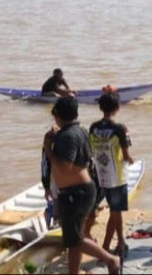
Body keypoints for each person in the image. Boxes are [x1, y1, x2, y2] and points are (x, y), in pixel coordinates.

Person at [43, 96, 120, 275]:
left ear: (58, 115)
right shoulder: (82, 131)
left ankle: (111, 259)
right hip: (84, 190)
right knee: (73, 239)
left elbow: (64, 168)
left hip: (75, 193)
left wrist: (48, 147)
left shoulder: (67, 136)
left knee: (74, 240)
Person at [89, 86, 134, 257]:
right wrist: (131, 160)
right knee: (115, 213)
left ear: (101, 108)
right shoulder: (120, 129)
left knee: (115, 213)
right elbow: (126, 155)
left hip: (100, 176)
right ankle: (108, 247)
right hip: (117, 178)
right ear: (117, 108)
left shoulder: (93, 128)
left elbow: (91, 152)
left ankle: (117, 243)